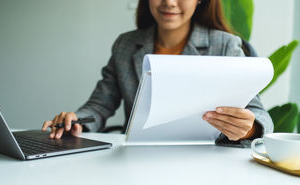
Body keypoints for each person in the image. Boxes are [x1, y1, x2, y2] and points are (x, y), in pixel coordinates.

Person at [42, 0, 273, 147]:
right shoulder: (126, 44)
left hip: (203, 161)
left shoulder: (225, 45)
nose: (169, 3)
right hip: (137, 157)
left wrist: (248, 129)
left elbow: (259, 115)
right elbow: (99, 106)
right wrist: (76, 120)